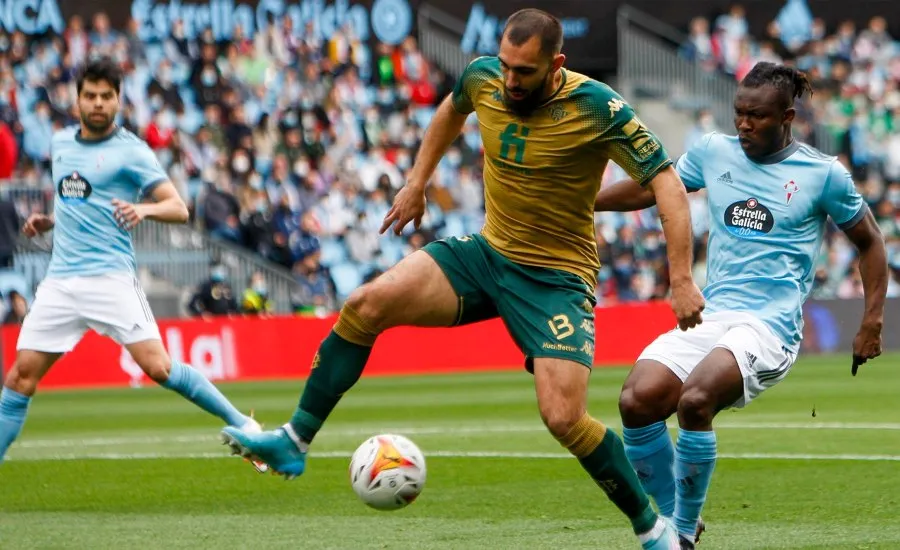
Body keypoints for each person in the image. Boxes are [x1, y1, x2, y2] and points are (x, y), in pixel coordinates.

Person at [222, 10, 705, 549]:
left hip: (555, 280)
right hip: (487, 255)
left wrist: (680, 277)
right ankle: (293, 440)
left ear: (556, 65)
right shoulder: (483, 77)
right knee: (365, 304)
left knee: (564, 417)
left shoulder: (597, 107)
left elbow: (664, 182)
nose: (510, 80)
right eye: (505, 66)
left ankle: (653, 529)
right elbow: (449, 114)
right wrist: (416, 183)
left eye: (524, 71)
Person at [594, 62, 887, 549]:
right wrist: (589, 202)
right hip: (715, 313)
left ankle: (683, 533)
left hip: (770, 328)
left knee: (695, 400)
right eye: (739, 113)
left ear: (787, 117)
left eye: (757, 116)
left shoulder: (824, 174)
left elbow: (871, 242)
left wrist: (871, 320)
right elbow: (656, 187)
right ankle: (668, 517)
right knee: (636, 400)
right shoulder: (713, 151)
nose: (744, 124)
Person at [0, 57, 266, 472]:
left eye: (107, 96)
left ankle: (244, 425)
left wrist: (143, 210)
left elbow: (178, 208)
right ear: (78, 100)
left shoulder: (131, 151)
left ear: (119, 100)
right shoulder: (60, 144)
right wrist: (50, 220)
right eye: (91, 95)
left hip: (111, 279)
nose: (99, 103)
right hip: (62, 281)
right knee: (19, 379)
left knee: (158, 367)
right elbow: (76, 198)